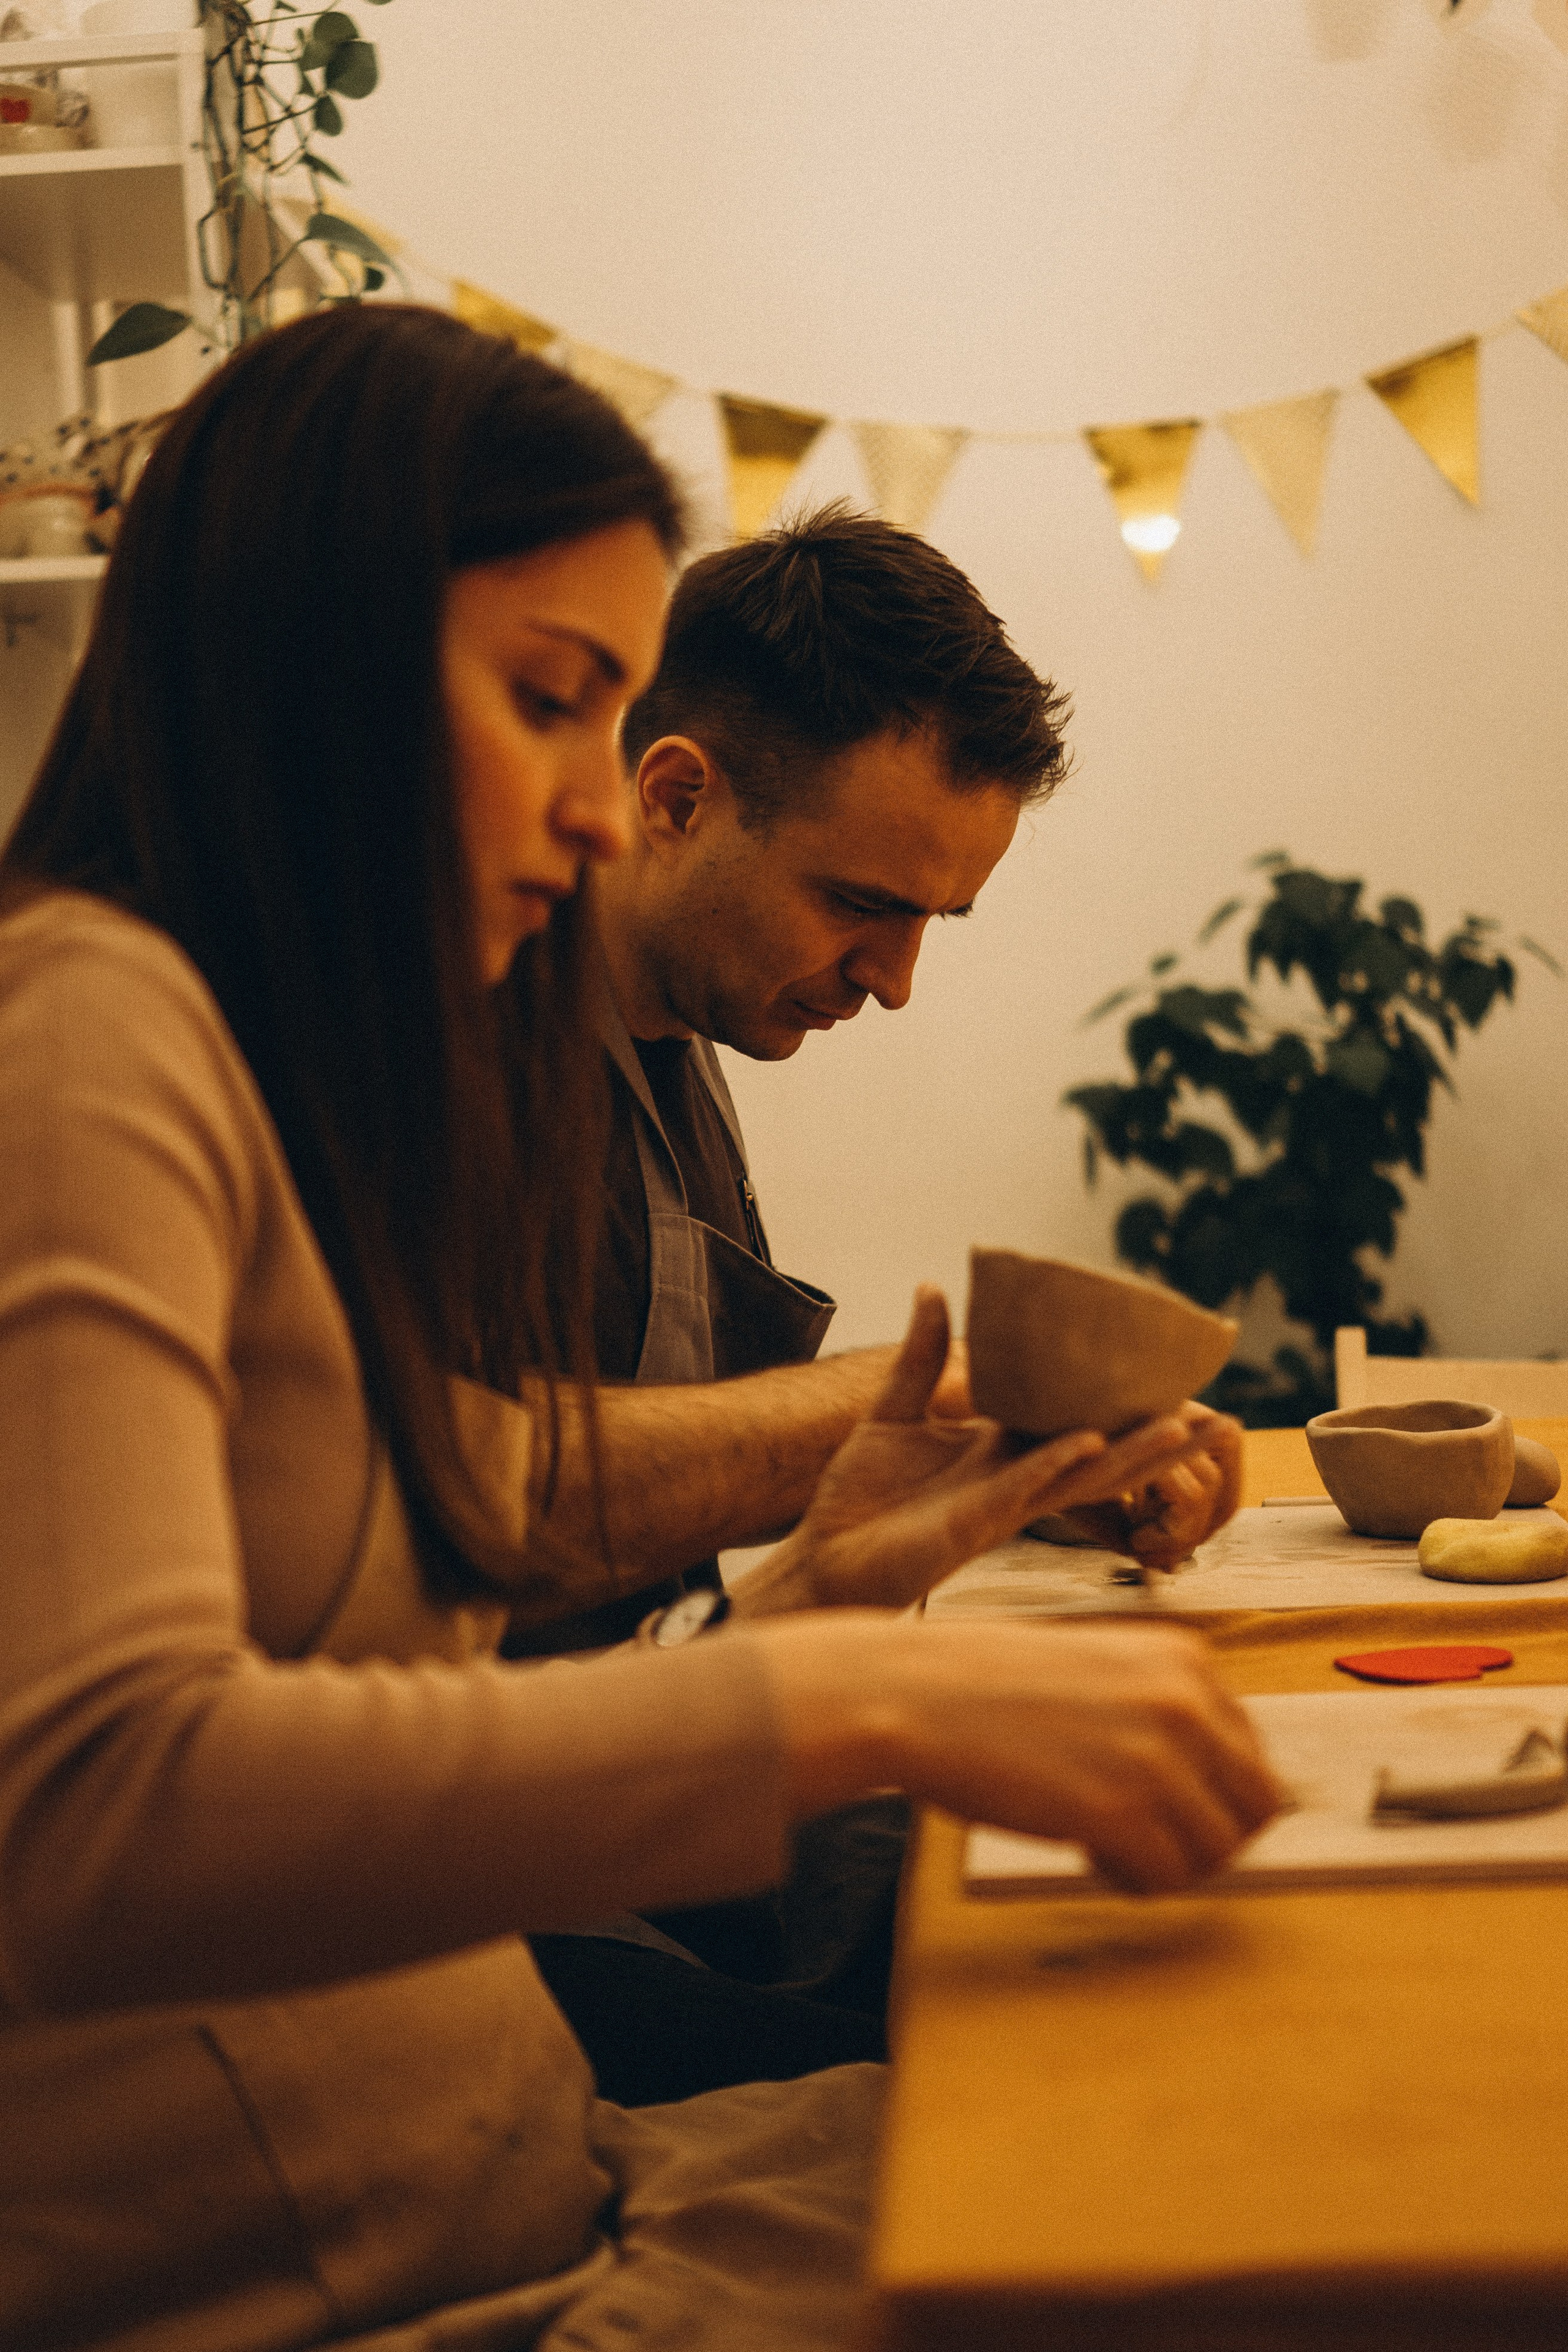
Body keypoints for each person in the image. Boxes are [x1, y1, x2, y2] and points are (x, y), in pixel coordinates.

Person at [0, 303, 1277, 2352]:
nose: (600, 815)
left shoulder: (262, 1060)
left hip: (534, 2175)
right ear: (307, 668)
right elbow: (104, 1815)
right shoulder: (87, 1033)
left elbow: (459, 1506)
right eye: (547, 702)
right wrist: (862, 1703)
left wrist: (848, 1575)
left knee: (1190, 2133)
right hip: (418, 2263)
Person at [513, 513, 1240, 2094]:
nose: (895, 980)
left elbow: (675, 1558)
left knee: (1155, 1912)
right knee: (1038, 2060)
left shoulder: (681, 1046)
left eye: (931, 924)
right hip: (491, 1888)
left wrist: (1014, 1473)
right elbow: (470, 1501)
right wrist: (948, 1391)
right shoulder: (461, 1050)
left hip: (670, 1765)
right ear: (676, 798)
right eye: (861, 904)